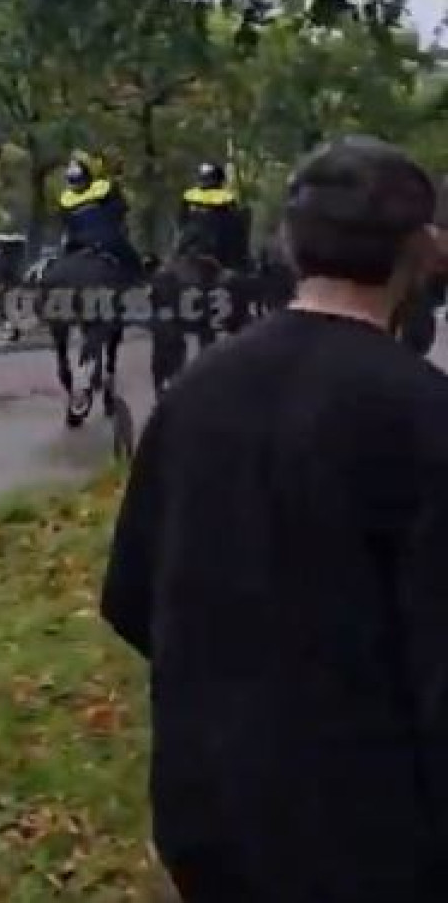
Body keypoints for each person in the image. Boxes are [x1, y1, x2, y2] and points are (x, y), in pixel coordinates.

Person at [102, 135, 448, 903]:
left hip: (208, 817)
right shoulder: (425, 415)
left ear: (290, 245)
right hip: (374, 841)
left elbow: (128, 597)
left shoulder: (194, 392)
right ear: (421, 252)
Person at [58, 150, 143, 278]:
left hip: (76, 243)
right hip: (108, 240)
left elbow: (67, 225)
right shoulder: (105, 188)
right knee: (134, 264)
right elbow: (120, 212)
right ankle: (142, 283)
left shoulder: (65, 200)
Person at [176, 162, 250, 270]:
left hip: (195, 236)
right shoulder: (226, 196)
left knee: (182, 242)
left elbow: (182, 218)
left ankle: (177, 256)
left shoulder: (189, 194)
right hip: (219, 237)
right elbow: (234, 217)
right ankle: (242, 260)